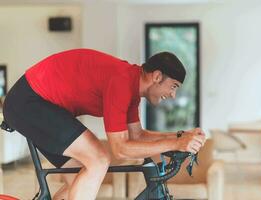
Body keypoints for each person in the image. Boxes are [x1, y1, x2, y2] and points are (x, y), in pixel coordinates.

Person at [2, 49, 206, 200]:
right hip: (29, 102)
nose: (173, 95)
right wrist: (175, 145)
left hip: (39, 105)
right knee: (98, 159)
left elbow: (136, 137)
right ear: (157, 76)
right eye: (173, 86)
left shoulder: (131, 88)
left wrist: (179, 137)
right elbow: (121, 148)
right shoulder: (122, 81)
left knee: (81, 177)